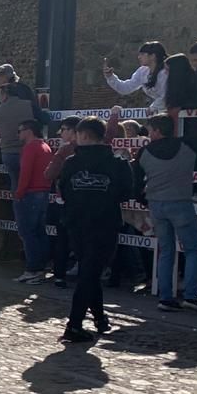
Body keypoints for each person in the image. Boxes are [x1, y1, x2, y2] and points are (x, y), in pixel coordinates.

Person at [57, 117, 133, 343]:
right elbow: (127, 193)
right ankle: (74, 324)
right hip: (104, 223)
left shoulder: (71, 163)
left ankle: (99, 319)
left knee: (89, 272)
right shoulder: (118, 164)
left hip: (77, 224)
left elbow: (63, 190)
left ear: (84, 136)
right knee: (90, 273)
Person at [134, 114, 197, 313]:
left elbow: (135, 180)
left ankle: (165, 296)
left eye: (151, 130)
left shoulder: (144, 151)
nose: (149, 134)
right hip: (181, 203)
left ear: (158, 131)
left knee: (165, 251)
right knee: (192, 250)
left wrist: (142, 199)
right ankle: (191, 295)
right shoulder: (188, 145)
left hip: (156, 204)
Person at [12, 120, 52, 283]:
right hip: (43, 192)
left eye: (20, 130)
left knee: (27, 232)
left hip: (30, 193)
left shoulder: (30, 148)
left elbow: (25, 173)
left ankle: (33, 268)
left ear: (29, 131)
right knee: (39, 231)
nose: (18, 134)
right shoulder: (45, 146)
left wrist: (19, 193)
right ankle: (41, 266)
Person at [104, 42, 169, 111]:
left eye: (142, 54)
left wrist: (153, 107)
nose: (139, 57)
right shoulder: (142, 71)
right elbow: (126, 88)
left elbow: (166, 96)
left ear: (153, 56)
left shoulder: (165, 72)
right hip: (161, 112)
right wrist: (111, 77)